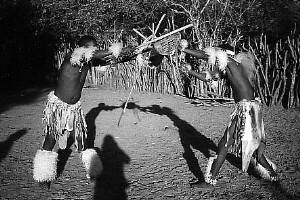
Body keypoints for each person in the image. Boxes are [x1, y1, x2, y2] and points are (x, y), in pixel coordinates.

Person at [33, 35, 134, 189]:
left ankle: (95, 172)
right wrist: (109, 51)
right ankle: (42, 176)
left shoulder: (88, 62)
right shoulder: (71, 57)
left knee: (81, 140)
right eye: (91, 48)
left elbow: (113, 59)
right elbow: (99, 54)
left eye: (95, 47)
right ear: (81, 48)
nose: (94, 50)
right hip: (58, 107)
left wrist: (135, 51)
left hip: (74, 109)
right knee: (51, 139)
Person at [178, 42, 279, 186]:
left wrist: (185, 49)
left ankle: (271, 174)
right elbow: (209, 77)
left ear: (223, 54)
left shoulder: (233, 64)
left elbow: (207, 56)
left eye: (217, 52)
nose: (215, 55)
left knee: (251, 149)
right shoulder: (230, 68)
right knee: (225, 145)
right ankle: (211, 179)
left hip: (247, 111)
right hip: (245, 110)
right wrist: (189, 71)